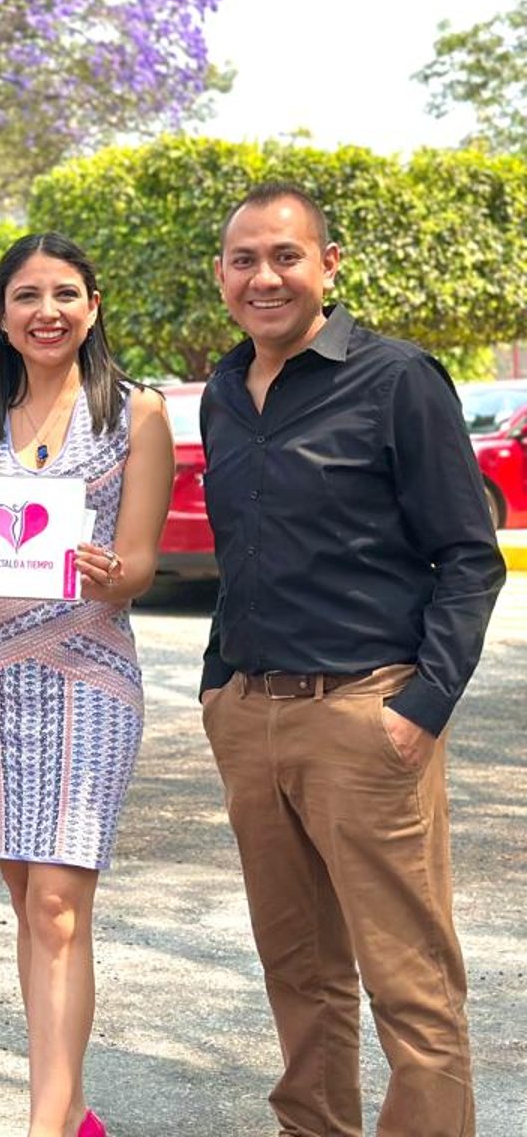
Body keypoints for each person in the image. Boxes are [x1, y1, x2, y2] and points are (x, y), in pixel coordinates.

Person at [197, 183, 504, 1137]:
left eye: (286, 256)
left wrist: (422, 706)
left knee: (409, 977)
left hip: (366, 717)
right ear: (222, 276)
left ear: (327, 265)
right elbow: (240, 554)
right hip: (251, 715)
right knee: (297, 970)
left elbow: (469, 557)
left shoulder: (398, 379)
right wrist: (217, 689)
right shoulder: (222, 391)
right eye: (245, 259)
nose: (265, 277)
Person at [0, 234, 173, 1137]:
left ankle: (45, 1124)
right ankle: (70, 1111)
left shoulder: (138, 415)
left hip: (89, 674)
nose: (47, 311)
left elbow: (138, 567)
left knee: (61, 906)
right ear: (1, 316)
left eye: (66, 293)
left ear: (93, 308)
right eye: (26, 296)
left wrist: (110, 574)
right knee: (30, 903)